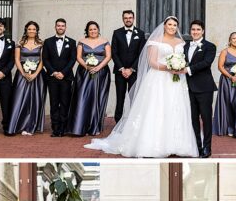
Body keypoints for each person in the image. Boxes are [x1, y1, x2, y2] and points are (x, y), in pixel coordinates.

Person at [85, 16, 199, 158]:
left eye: (175, 25)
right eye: (169, 24)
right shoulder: (155, 41)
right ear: (164, 26)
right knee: (157, 109)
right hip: (159, 79)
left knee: (176, 108)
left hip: (177, 82)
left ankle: (178, 145)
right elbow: (152, 62)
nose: (172, 27)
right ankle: (155, 144)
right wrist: (169, 67)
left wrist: (180, 67)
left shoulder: (181, 42)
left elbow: (185, 60)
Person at [67, 20, 111, 136]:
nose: (93, 31)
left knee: (97, 98)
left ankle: (95, 126)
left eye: (95, 29)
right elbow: (79, 57)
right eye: (90, 29)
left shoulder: (105, 41)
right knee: (82, 98)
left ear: (98, 30)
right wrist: (87, 66)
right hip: (84, 73)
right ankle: (80, 126)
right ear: (87, 31)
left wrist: (98, 67)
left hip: (101, 73)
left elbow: (108, 57)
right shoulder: (82, 42)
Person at [6, 21, 47, 136]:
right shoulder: (20, 43)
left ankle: (32, 125)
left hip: (37, 76)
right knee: (19, 99)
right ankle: (18, 124)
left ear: (37, 31)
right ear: (26, 30)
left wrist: (35, 74)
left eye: (34, 29)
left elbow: (42, 61)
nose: (32, 31)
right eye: (29, 29)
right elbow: (17, 59)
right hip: (22, 75)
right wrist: (23, 73)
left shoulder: (41, 43)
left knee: (35, 100)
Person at [186, 20, 218, 157]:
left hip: (204, 87)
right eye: (193, 29)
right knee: (193, 119)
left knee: (205, 119)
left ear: (203, 31)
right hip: (188, 88)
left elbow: (206, 63)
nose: (195, 32)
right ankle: (197, 147)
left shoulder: (210, 46)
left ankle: (207, 148)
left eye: (198, 29)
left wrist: (188, 69)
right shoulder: (185, 46)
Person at [42, 18, 76, 137]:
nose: (60, 27)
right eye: (58, 26)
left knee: (65, 103)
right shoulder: (48, 42)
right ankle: (55, 128)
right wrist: (54, 72)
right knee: (54, 103)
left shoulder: (72, 42)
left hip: (66, 78)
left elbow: (72, 59)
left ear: (65, 27)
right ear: (55, 27)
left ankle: (63, 127)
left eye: (62, 26)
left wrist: (63, 73)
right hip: (52, 78)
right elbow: (45, 59)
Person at [110, 9, 145, 123]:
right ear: (123, 19)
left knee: (134, 98)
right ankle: (117, 122)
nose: (128, 20)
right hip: (120, 72)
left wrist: (131, 69)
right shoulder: (117, 33)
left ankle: (134, 122)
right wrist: (122, 69)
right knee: (120, 98)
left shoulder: (140, 33)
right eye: (126, 18)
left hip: (134, 72)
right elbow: (114, 52)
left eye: (130, 18)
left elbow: (141, 54)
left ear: (133, 18)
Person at [213, 31, 236, 139]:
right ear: (230, 40)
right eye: (234, 38)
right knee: (227, 103)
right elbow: (220, 67)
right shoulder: (225, 52)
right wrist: (230, 76)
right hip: (226, 81)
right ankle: (227, 128)